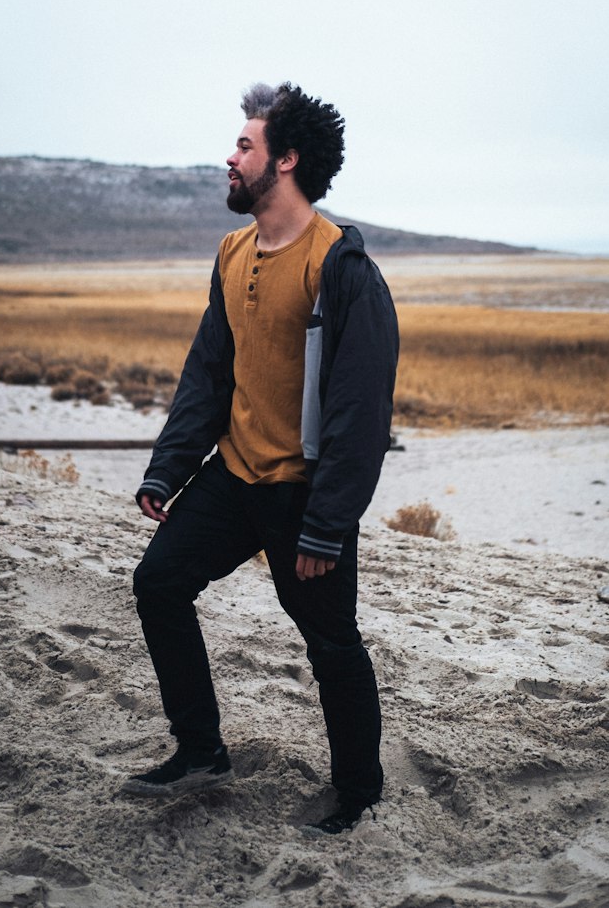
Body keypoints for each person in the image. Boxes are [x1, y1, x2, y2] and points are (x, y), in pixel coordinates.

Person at [123, 82, 399, 836]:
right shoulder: (233, 250)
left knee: (332, 644)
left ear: (286, 160)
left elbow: (361, 412)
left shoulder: (342, 266)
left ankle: (358, 792)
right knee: (158, 584)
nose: (231, 156)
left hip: (302, 497)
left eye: (245, 146)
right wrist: (168, 468)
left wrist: (328, 525)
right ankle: (202, 750)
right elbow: (211, 368)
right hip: (233, 476)